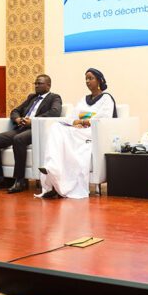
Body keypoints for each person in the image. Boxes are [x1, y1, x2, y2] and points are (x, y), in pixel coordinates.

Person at [37, 68, 117, 199]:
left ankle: (57, 174)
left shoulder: (106, 98)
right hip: (79, 129)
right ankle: (52, 168)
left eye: (91, 78)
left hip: (92, 132)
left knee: (68, 135)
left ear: (99, 80)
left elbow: (105, 119)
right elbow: (72, 116)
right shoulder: (83, 99)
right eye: (86, 79)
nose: (87, 81)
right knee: (56, 127)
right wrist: (76, 122)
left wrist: (85, 121)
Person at [0, 74, 62, 194]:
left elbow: (55, 113)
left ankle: (20, 180)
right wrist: (18, 119)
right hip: (21, 127)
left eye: (39, 83)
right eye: (35, 83)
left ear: (48, 85)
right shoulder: (32, 97)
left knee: (18, 139)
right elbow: (15, 111)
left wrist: (33, 121)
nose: (36, 86)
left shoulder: (54, 97)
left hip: (36, 130)